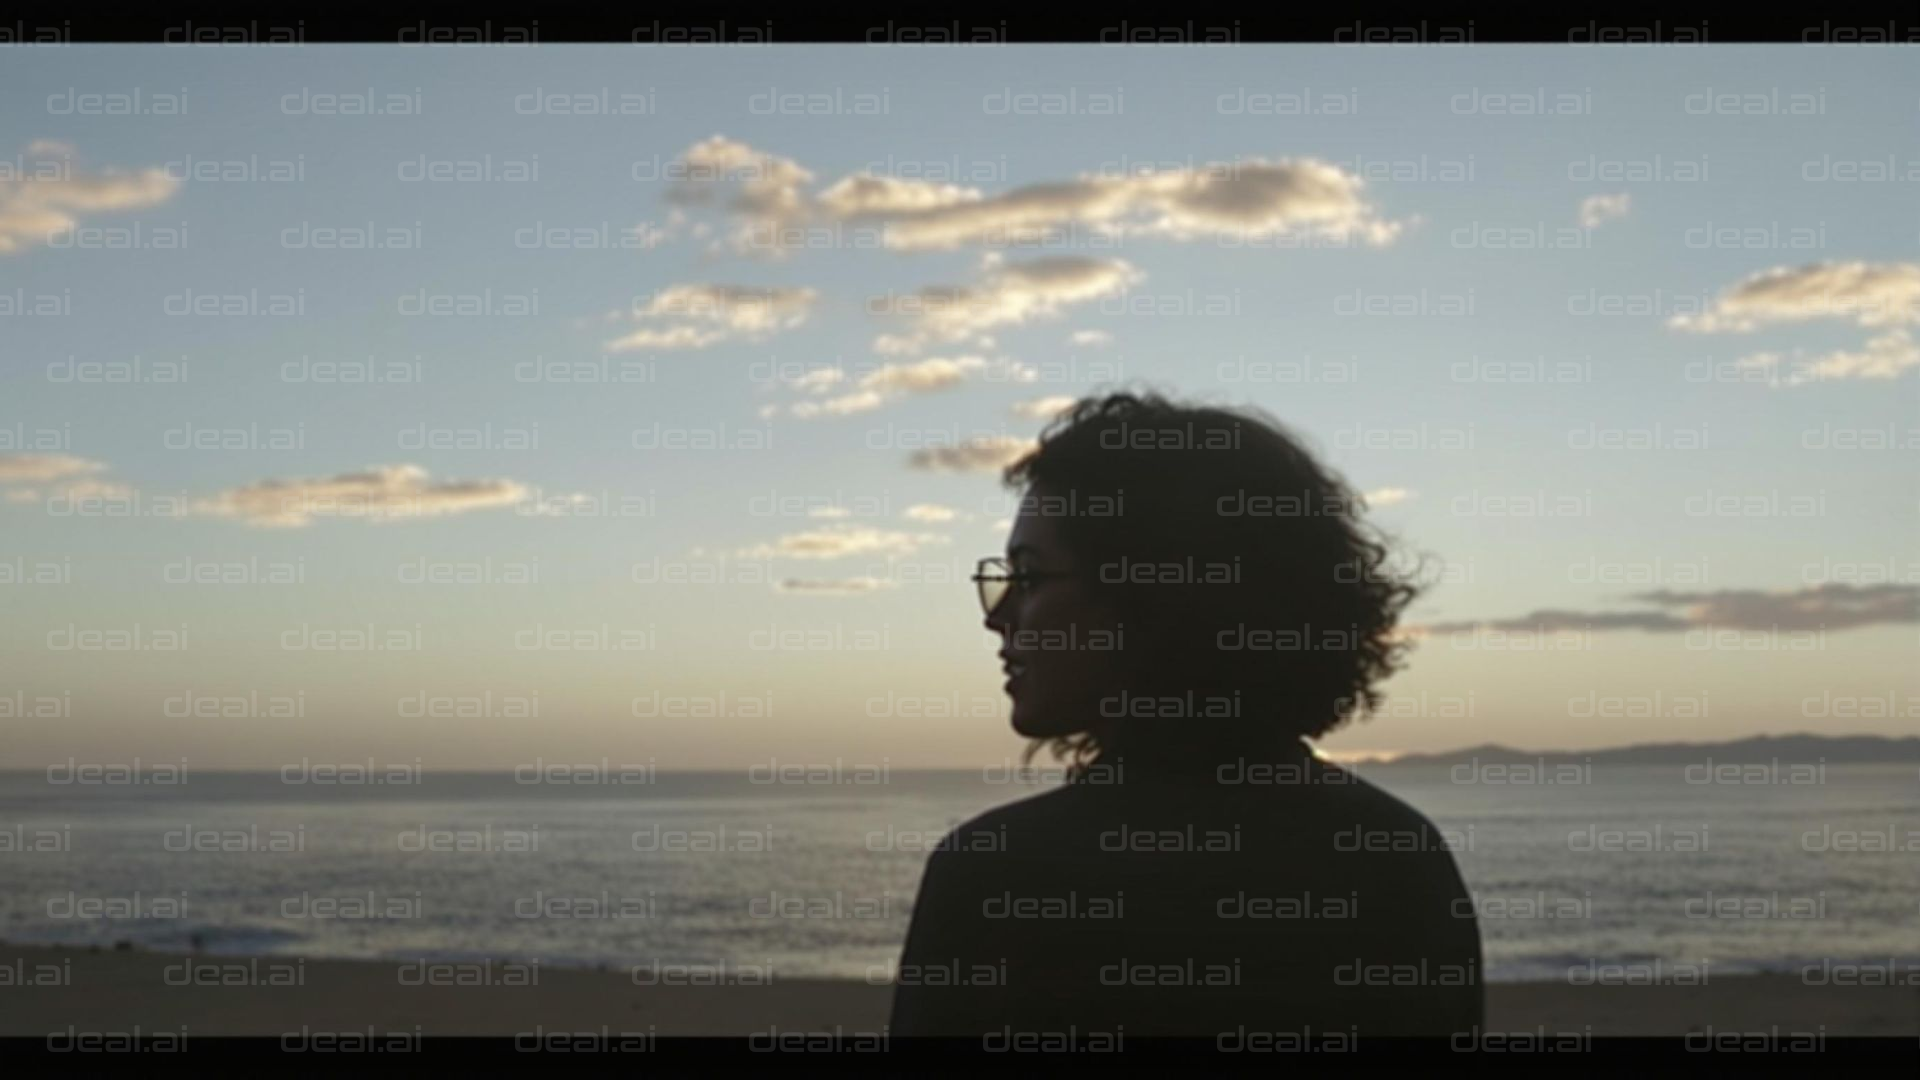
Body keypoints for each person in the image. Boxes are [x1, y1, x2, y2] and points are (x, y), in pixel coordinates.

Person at [889, 390, 1483, 1043]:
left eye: (1028, 578)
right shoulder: (1399, 857)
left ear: (1148, 595)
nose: (997, 616)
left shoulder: (997, 875)